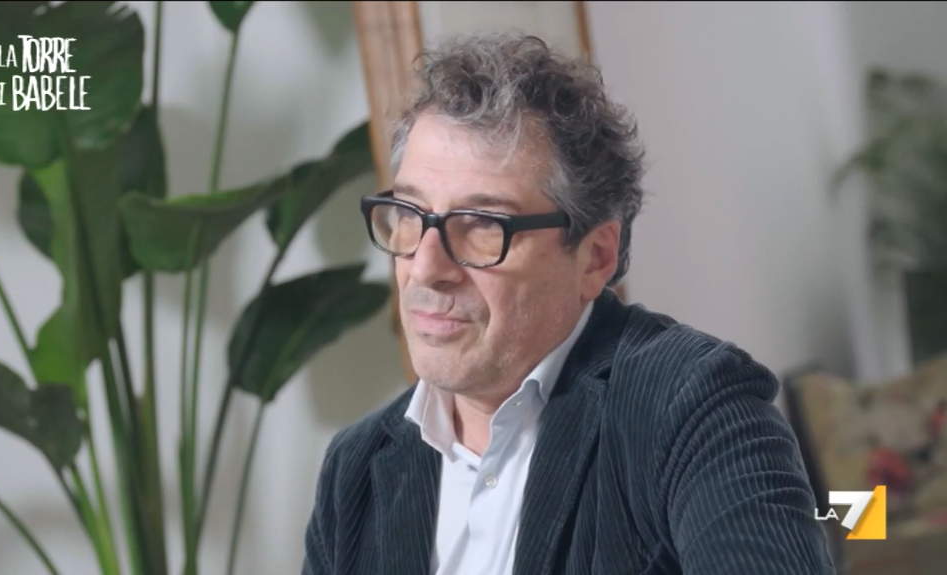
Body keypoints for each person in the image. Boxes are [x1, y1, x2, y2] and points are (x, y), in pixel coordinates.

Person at [302, 31, 834, 575]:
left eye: (482, 225)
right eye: (409, 214)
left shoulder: (695, 408)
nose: (426, 268)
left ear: (595, 257)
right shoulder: (356, 469)